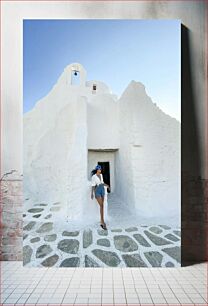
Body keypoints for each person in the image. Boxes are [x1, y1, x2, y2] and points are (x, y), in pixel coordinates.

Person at [91, 165, 110, 230]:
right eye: (99, 169)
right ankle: (102, 222)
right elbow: (93, 185)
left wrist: (106, 185)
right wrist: (92, 193)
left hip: (102, 189)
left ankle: (102, 220)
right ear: (97, 169)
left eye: (100, 169)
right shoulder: (94, 177)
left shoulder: (101, 175)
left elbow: (102, 183)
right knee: (101, 205)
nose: (100, 170)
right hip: (97, 190)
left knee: (102, 206)